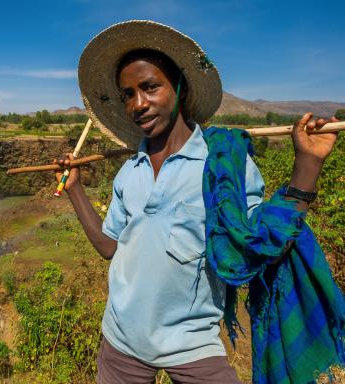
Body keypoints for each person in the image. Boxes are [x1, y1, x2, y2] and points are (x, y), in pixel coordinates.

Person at [54, 20, 342, 383]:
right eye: (128, 94)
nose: (138, 104)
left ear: (180, 87)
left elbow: (265, 242)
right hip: (120, 342)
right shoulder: (131, 170)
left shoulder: (222, 167)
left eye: (150, 87)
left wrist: (308, 164)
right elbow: (110, 247)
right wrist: (75, 190)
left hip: (192, 346)